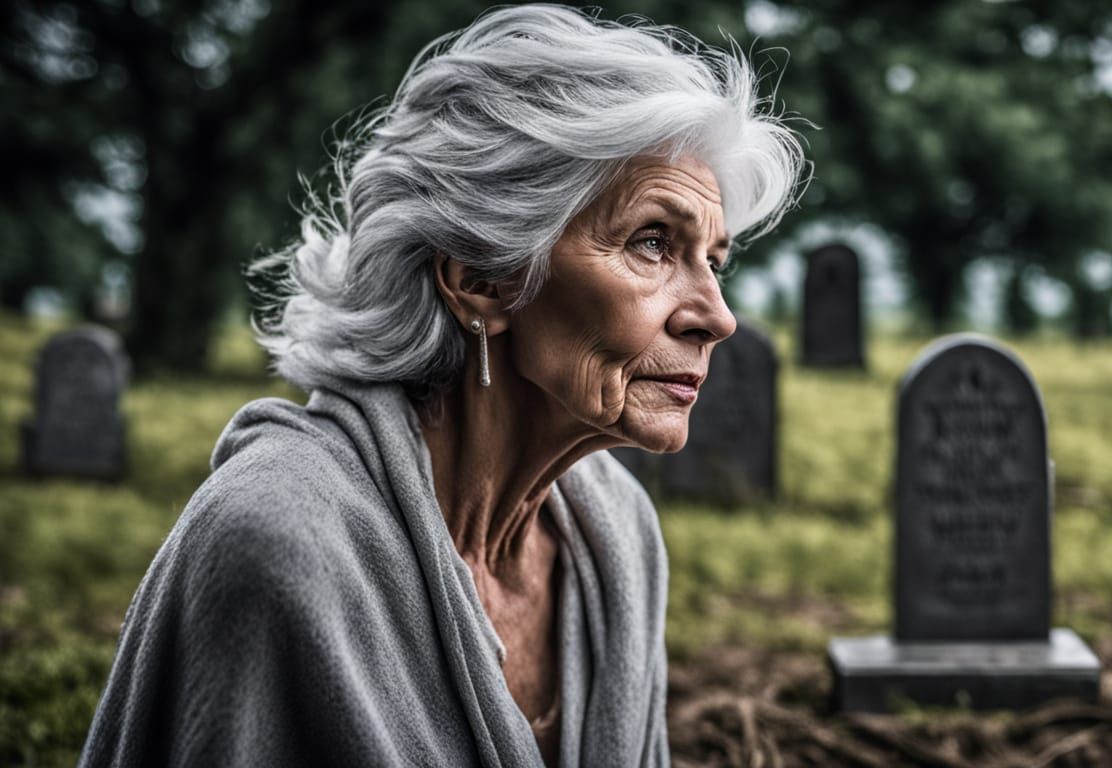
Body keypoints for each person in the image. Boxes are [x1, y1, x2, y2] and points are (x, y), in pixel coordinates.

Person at [78, 5, 804, 767]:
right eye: (653, 242)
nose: (717, 317)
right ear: (480, 280)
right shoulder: (279, 543)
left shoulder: (616, 534)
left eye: (714, 261)